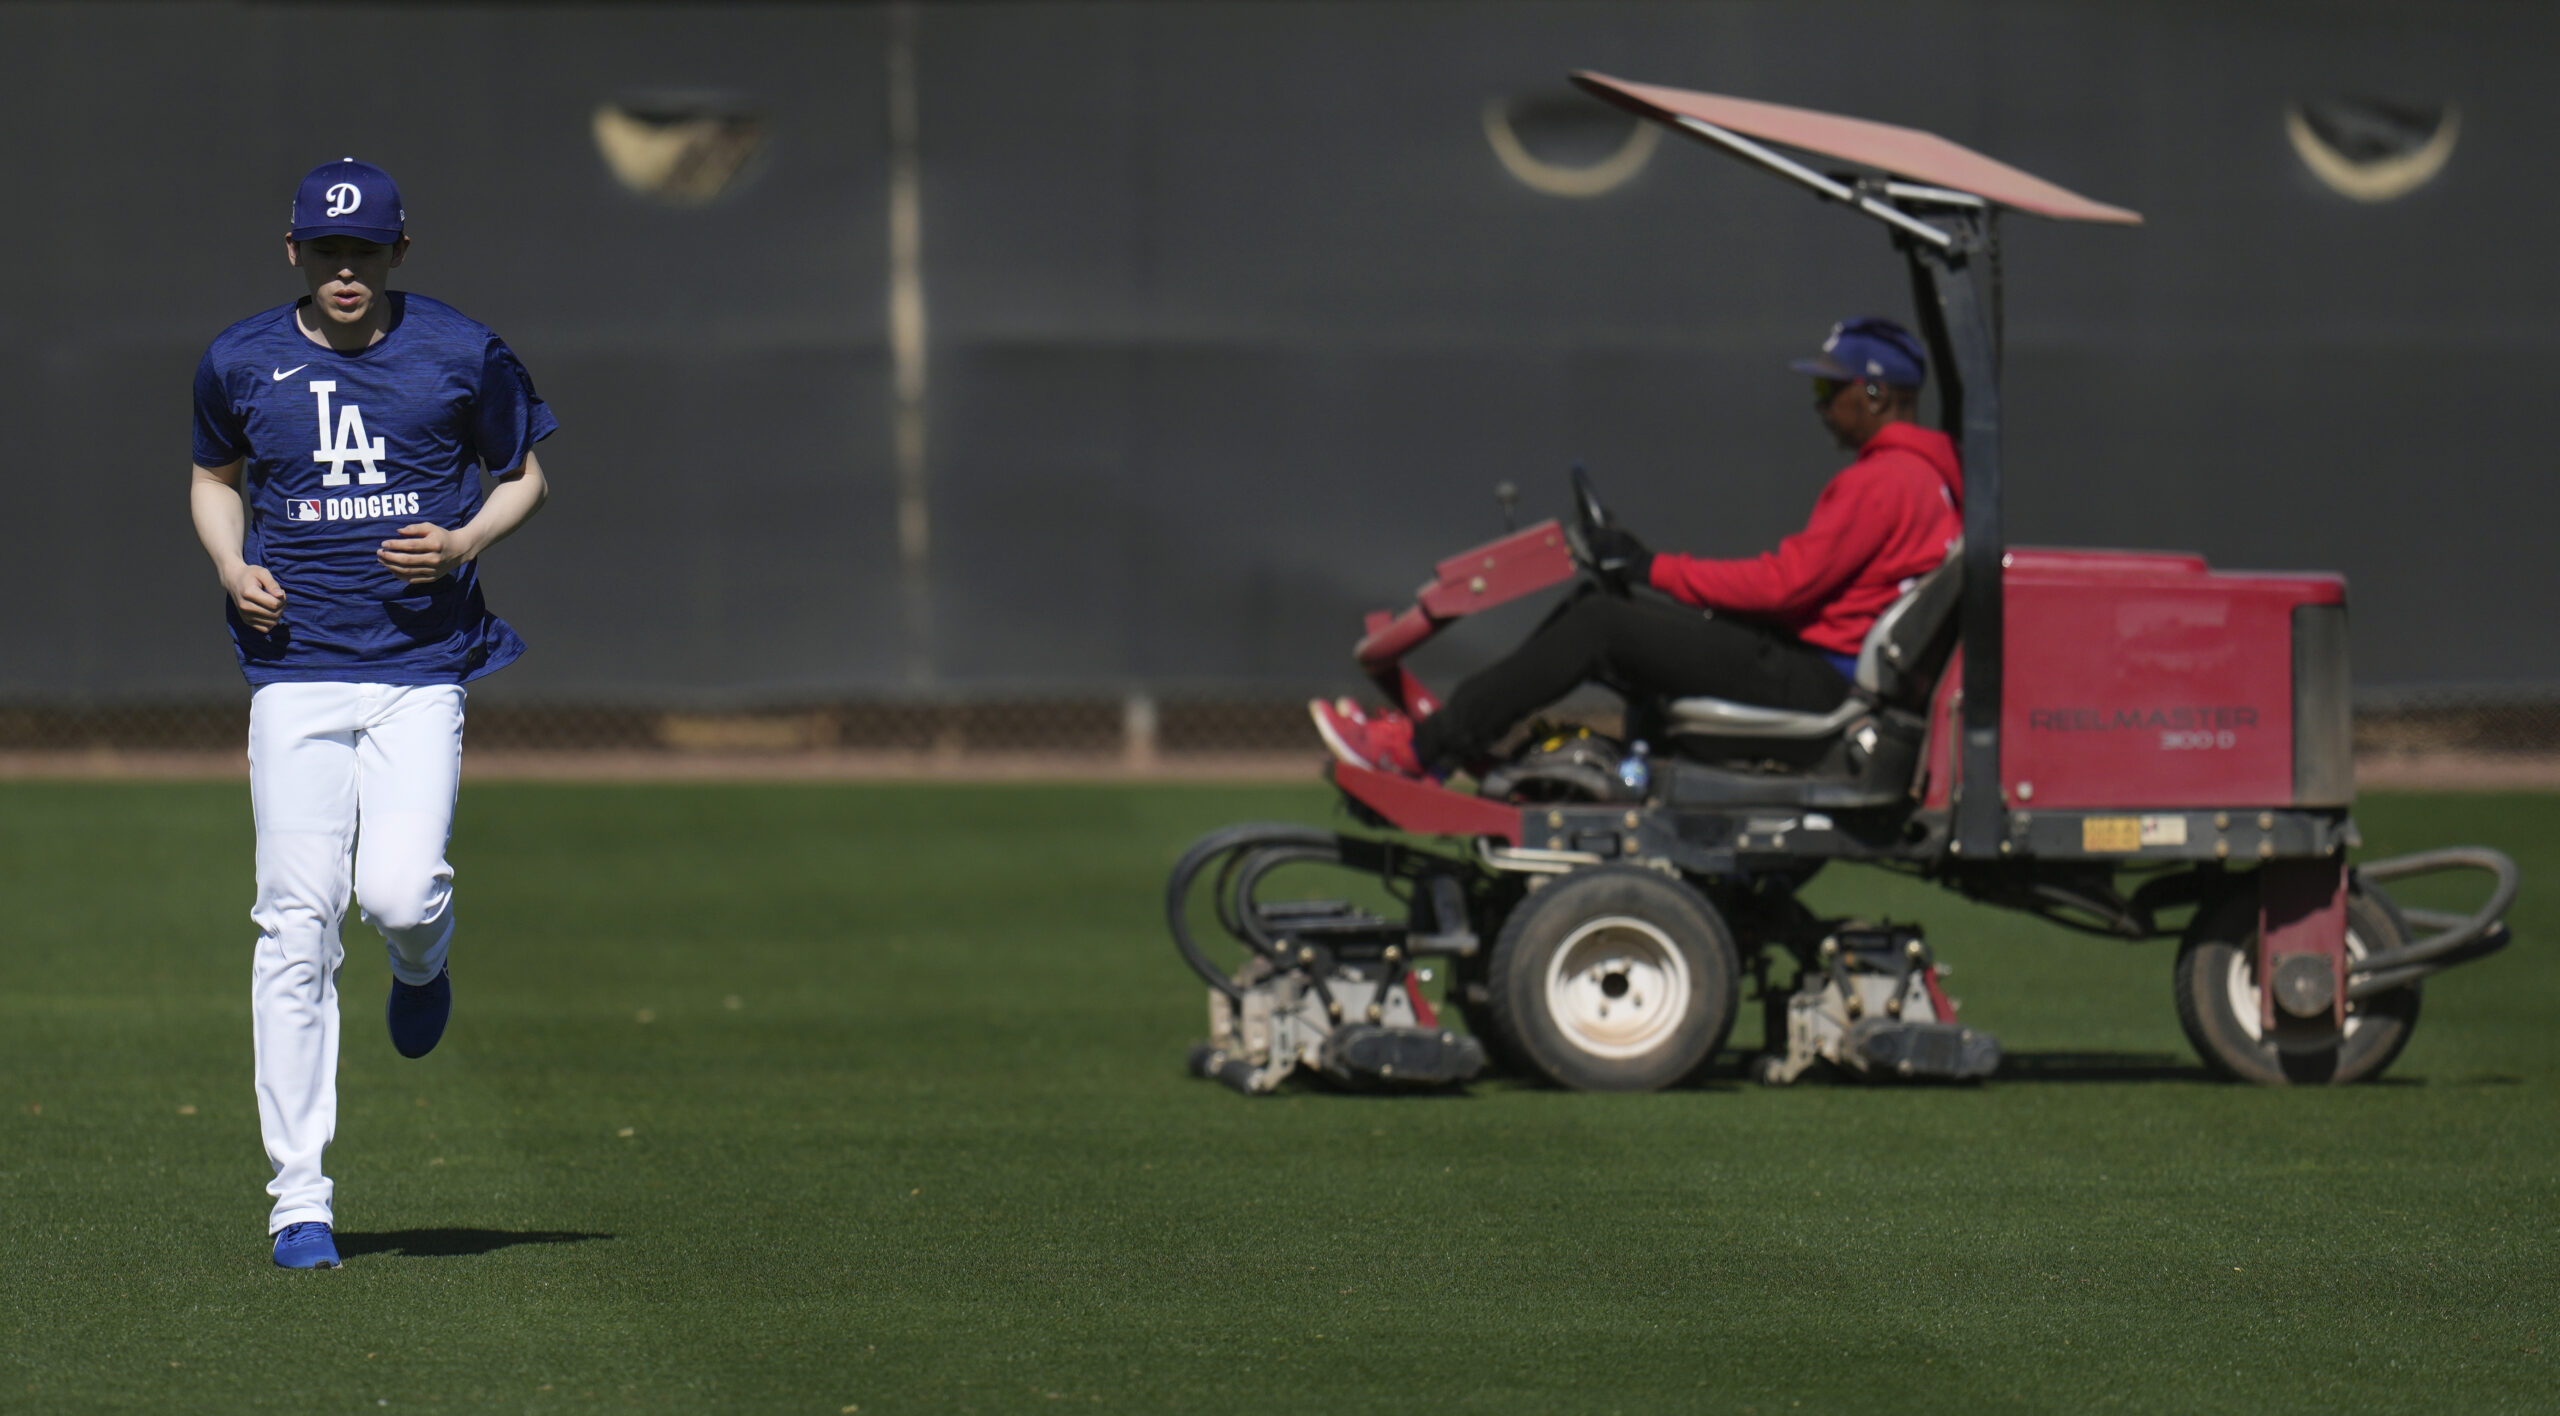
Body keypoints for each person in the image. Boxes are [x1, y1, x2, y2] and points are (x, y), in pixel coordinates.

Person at [188, 158, 555, 1269]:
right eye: (326, 249)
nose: (346, 269)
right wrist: (225, 560)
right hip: (292, 669)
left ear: (400, 251)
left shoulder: (458, 350)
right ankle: (299, 1199)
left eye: (367, 250)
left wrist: (464, 540)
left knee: (395, 892)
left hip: (417, 667)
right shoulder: (240, 359)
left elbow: (522, 473)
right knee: (292, 929)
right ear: (293, 252)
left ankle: (419, 962)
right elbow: (214, 474)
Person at [1310, 317, 1959, 777]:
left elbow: (1783, 585)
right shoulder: (1923, 478)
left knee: (1599, 620)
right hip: (1821, 667)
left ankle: (1419, 753)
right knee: (1607, 613)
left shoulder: (1882, 481)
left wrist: (1651, 567)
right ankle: (1470, 752)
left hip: (1816, 681)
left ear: (1873, 394)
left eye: (1828, 390)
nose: (1819, 407)